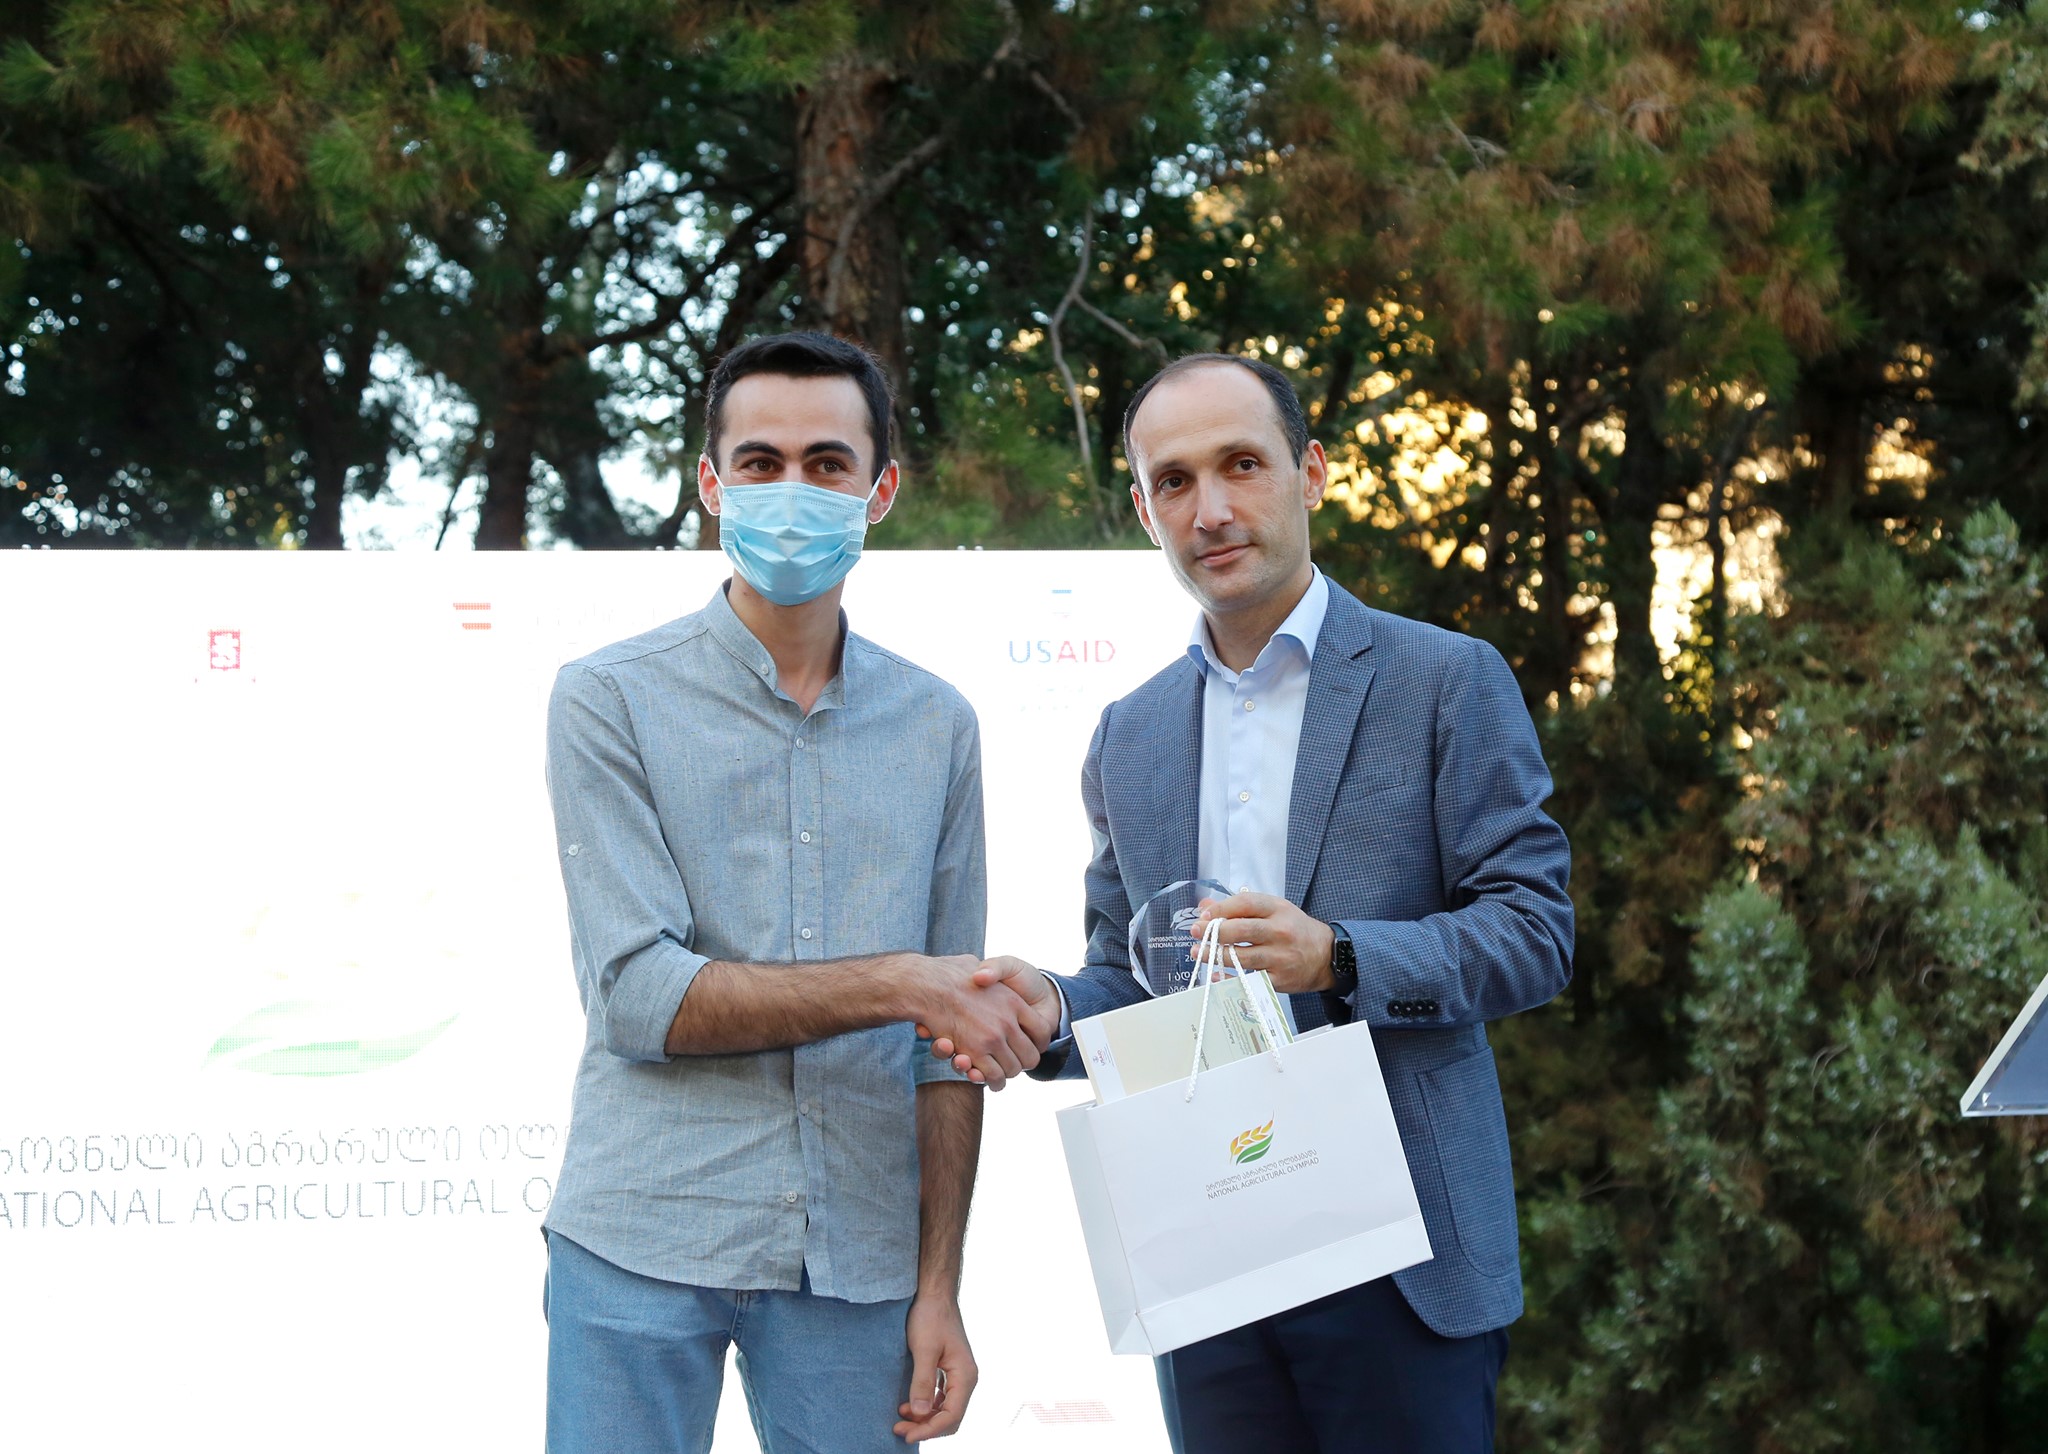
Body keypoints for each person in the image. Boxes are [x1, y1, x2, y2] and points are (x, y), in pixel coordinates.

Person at [933, 353, 1574, 1452]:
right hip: (1208, 1252)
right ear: (1144, 511)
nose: (1212, 509)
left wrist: (1340, 955)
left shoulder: (1444, 679)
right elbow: (1130, 976)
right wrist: (1052, 1009)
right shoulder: (1128, 733)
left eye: (1241, 464)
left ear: (1309, 471)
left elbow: (1533, 933)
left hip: (1404, 1249)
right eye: (1173, 481)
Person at [541, 331, 1042, 1453]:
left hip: (860, 1257)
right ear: (710, 483)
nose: (792, 490)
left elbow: (947, 1047)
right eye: (760, 462)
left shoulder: (938, 725)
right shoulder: (608, 698)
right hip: (640, 1234)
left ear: (880, 491)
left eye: (827, 463)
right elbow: (640, 998)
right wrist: (901, 982)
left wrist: (940, 1285)